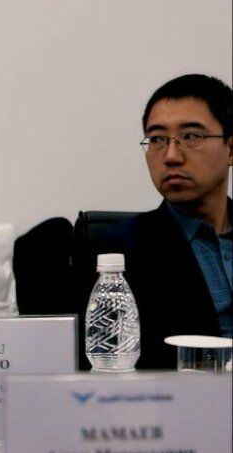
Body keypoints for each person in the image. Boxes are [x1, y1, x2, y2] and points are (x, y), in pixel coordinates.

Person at [96, 74, 232, 369]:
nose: (170, 156)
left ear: (230, 149)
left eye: (191, 137)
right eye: (157, 139)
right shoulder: (122, 251)